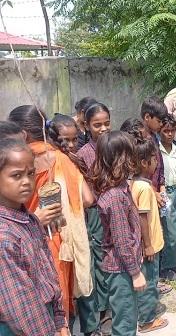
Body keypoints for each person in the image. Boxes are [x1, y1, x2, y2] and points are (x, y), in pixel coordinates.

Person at [8, 105, 94, 324]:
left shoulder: (16, 163)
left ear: (22, 135)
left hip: (30, 242)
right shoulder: (62, 158)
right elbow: (87, 199)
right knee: (60, 306)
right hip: (62, 239)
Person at [0, 138, 69, 336]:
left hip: (43, 318)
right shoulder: (5, 236)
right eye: (16, 176)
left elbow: (48, 273)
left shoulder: (28, 220)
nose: (27, 182)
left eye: (31, 174)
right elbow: (21, 305)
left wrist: (59, 320)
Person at [91, 131, 146, 336]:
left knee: (127, 318)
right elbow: (122, 242)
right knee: (124, 325)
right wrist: (135, 272)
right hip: (121, 269)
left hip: (124, 267)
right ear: (122, 159)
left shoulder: (121, 187)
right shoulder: (115, 196)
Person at [76, 102, 112, 336]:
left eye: (106, 123)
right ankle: (97, 315)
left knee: (110, 261)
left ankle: (108, 310)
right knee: (96, 262)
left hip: (113, 211)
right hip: (94, 214)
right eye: (97, 125)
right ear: (87, 126)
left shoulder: (111, 147)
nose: (103, 128)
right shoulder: (84, 154)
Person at [130, 137, 169, 333]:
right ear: (145, 163)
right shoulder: (145, 188)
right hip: (150, 244)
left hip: (147, 244)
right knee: (150, 282)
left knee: (147, 281)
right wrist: (148, 245)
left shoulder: (134, 184)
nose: (156, 164)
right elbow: (142, 217)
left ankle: (143, 314)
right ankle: (147, 320)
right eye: (154, 160)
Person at [158, 114, 176, 280]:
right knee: (170, 232)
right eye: (166, 131)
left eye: (172, 131)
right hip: (164, 191)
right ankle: (167, 267)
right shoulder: (157, 150)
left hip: (175, 190)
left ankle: (172, 262)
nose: (169, 134)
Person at [140, 96, 168, 198]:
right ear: (147, 117)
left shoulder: (154, 136)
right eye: (159, 121)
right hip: (145, 192)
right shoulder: (139, 139)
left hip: (156, 191)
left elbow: (159, 163)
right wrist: (153, 193)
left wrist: (162, 186)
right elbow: (138, 173)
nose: (161, 125)